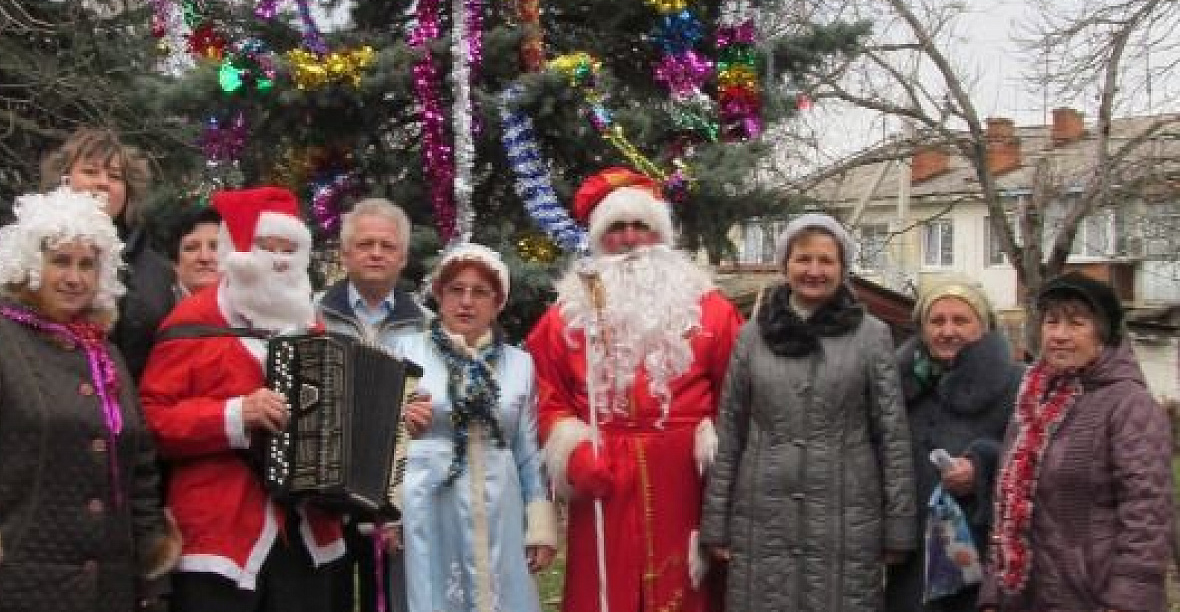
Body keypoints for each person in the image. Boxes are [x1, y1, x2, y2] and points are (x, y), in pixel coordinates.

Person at [0, 187, 179, 612]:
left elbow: (139, 470)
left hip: (104, 590)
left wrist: (151, 572)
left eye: (87, 265)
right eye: (60, 261)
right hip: (1, 587)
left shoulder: (104, 353)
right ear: (29, 265)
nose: (74, 277)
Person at [526, 167, 744, 612]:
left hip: (685, 478)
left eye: (640, 226)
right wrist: (572, 450)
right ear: (597, 238)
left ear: (660, 235)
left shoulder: (712, 310)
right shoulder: (565, 315)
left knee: (685, 589)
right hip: (602, 478)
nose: (628, 240)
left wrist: (717, 456)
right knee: (604, 592)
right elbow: (545, 394)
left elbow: (738, 397)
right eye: (616, 228)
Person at [139, 186, 344, 612]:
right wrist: (235, 415)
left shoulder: (313, 327)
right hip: (219, 536)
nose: (281, 260)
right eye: (268, 248)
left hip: (306, 537)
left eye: (290, 249)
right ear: (240, 251)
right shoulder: (193, 321)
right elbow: (152, 420)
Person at [700, 212, 916, 612]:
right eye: (803, 259)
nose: (813, 270)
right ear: (785, 264)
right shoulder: (751, 337)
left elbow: (891, 433)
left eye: (825, 260)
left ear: (842, 268)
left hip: (846, 518)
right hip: (762, 515)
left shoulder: (872, 337)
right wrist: (717, 522)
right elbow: (730, 430)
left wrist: (898, 525)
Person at [979, 273, 1174, 612]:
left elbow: (1147, 514)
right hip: (1026, 596)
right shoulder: (1031, 403)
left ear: (1104, 334)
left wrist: (1128, 600)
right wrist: (994, 592)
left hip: (1096, 597)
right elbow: (1007, 504)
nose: (1059, 335)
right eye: (1051, 322)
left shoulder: (1129, 405)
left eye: (1076, 323)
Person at [0, 127, 175, 379]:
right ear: (63, 179)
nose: (103, 183)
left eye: (116, 177)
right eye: (90, 171)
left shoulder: (157, 270)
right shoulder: (13, 241)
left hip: (122, 411)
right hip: (30, 403)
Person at [390, 242, 557, 612]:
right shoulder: (406, 352)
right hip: (428, 499)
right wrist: (389, 510)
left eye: (480, 292)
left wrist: (539, 523)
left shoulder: (519, 365)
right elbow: (381, 436)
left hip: (501, 503)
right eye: (456, 290)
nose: (467, 302)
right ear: (439, 296)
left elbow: (527, 451)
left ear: (497, 303)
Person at [315, 197, 433, 612]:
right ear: (345, 254)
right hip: (324, 485)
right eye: (365, 244)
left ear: (402, 257)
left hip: (395, 490)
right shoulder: (313, 315)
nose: (376, 253)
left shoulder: (426, 325)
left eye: (387, 246)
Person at [884, 279, 1022, 612]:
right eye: (937, 321)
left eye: (960, 320)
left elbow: (1035, 462)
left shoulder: (1016, 385)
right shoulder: (897, 386)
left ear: (984, 326)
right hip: (910, 557)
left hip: (983, 554)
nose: (948, 331)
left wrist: (982, 468)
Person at [163, 204, 222, 299]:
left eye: (215, 247)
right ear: (174, 263)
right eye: (192, 248)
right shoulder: (156, 309)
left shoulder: (248, 310)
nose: (205, 257)